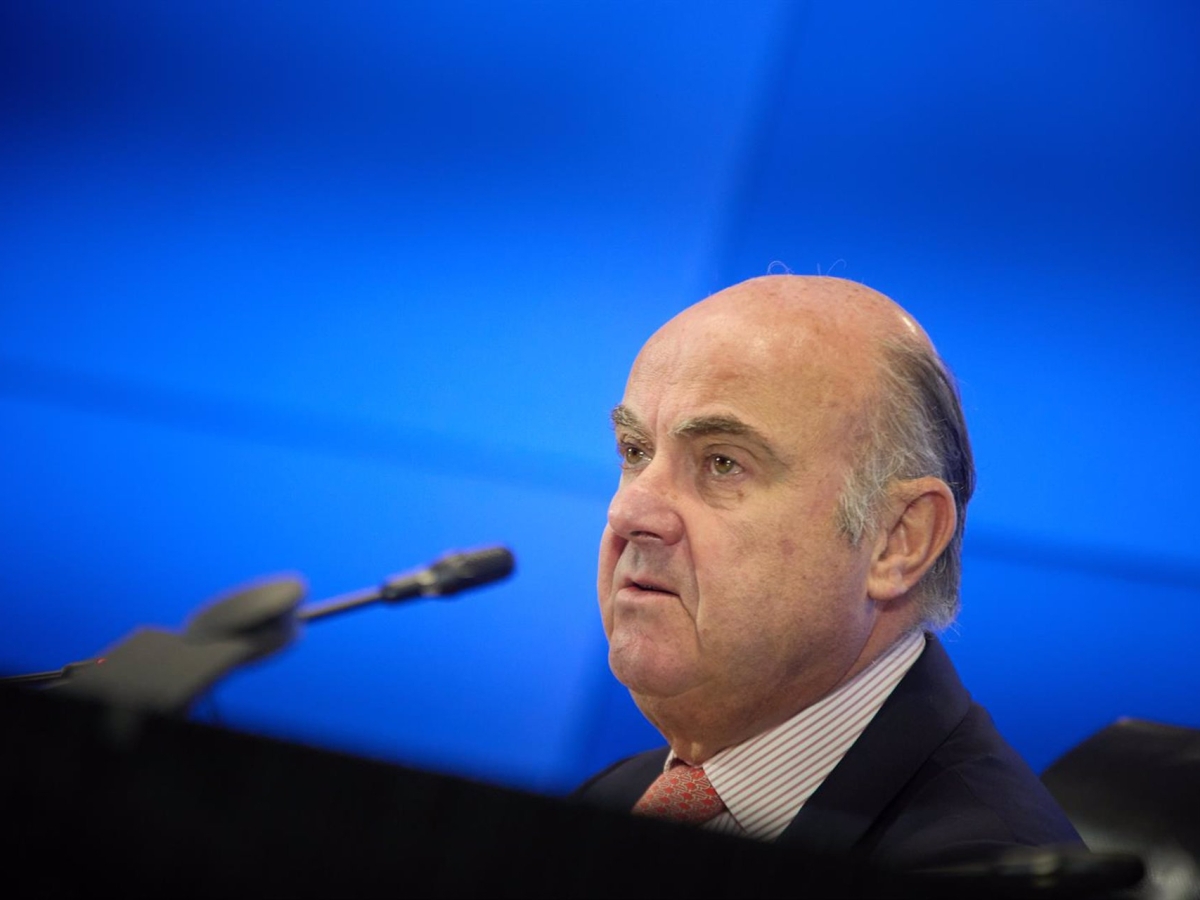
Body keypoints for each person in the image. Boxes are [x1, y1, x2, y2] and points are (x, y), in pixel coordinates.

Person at [576, 275, 1080, 867]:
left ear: (898, 541)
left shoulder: (975, 868)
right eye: (635, 452)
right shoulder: (617, 798)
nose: (629, 512)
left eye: (723, 463)